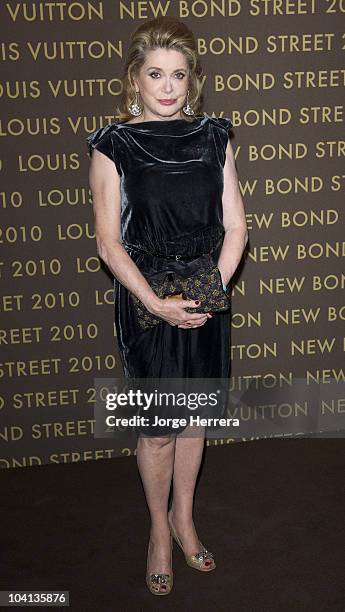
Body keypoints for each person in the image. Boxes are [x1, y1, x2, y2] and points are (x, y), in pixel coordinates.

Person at [87, 16, 248, 596]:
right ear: (134, 77)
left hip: (204, 300)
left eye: (178, 75)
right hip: (145, 302)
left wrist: (207, 295)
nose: (167, 86)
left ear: (192, 81)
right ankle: (158, 529)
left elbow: (236, 228)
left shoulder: (214, 137)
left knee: (195, 420)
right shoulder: (114, 144)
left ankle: (186, 519)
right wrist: (157, 303)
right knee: (158, 429)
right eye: (156, 73)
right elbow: (108, 242)